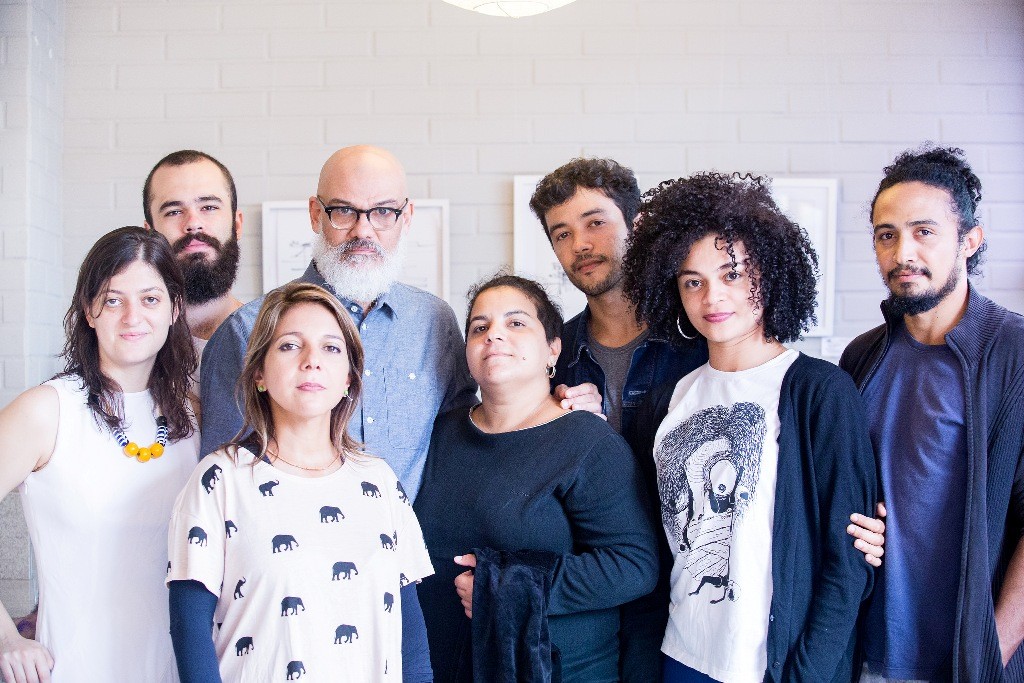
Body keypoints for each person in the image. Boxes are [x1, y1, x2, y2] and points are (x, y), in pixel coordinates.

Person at [622, 172, 877, 683]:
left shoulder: (819, 391)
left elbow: (848, 562)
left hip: (776, 666)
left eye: (732, 274)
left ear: (770, 274)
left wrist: (807, 674)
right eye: (692, 281)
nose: (712, 296)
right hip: (680, 657)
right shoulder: (662, 402)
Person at [167, 282, 433, 683]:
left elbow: (410, 643)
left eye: (331, 348)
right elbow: (189, 634)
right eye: (290, 345)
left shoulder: (379, 482)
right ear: (259, 372)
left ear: (348, 378)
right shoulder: (219, 480)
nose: (312, 361)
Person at [414, 273, 659, 682]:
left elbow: (634, 566)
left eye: (515, 323)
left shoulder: (585, 440)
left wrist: (507, 590)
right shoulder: (441, 432)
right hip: (445, 665)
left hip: (556, 670)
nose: (494, 336)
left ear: (553, 349)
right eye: (480, 327)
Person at [840, 146, 1024, 681]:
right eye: (886, 234)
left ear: (969, 240)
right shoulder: (862, 357)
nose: (903, 253)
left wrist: (990, 656)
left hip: (971, 663)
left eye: (924, 231)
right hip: (871, 657)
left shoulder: (1012, 353)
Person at [198, 145, 476, 498]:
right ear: (316, 214)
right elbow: (221, 482)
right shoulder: (246, 331)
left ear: (406, 218)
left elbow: (464, 444)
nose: (363, 231)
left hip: (408, 548)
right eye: (344, 210)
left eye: (383, 212)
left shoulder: (435, 322)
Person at [0, 227, 199, 683]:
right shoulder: (47, 410)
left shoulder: (192, 415)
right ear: (89, 311)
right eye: (113, 300)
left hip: (178, 670)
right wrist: (7, 638)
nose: (133, 316)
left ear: (174, 309)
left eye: (150, 299)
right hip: (74, 669)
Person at [530, 158, 708, 434]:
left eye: (596, 222)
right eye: (563, 235)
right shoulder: (554, 356)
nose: (580, 245)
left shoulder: (699, 335)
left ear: (637, 226)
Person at [143, 150, 245, 387]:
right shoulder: (132, 351)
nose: (193, 224)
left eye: (208, 207)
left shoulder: (272, 340)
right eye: (174, 211)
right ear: (150, 233)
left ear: (237, 224)